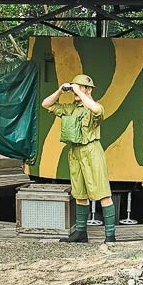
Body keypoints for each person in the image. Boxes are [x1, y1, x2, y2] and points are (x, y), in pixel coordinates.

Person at [41, 74, 116, 243]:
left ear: (89, 89)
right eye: (75, 86)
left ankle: (110, 235)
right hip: (75, 152)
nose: (76, 89)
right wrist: (60, 90)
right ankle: (81, 233)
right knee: (79, 193)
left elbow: (96, 110)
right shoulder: (70, 109)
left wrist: (81, 93)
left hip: (92, 151)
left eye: (81, 86)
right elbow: (46, 104)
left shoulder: (95, 107)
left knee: (103, 193)